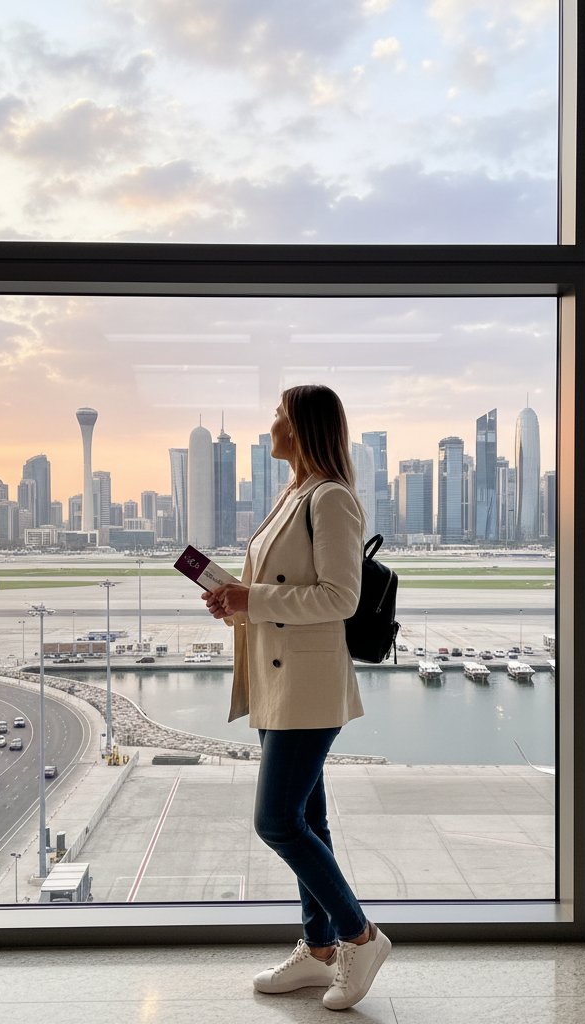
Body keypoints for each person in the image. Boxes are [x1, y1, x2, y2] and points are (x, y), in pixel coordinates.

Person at [202, 384, 390, 1011]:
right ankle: (318, 950)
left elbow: (340, 598)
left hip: (308, 684)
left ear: (304, 427)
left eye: (280, 415)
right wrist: (235, 603)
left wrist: (252, 600)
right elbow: (278, 591)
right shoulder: (293, 493)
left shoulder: (332, 499)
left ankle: (359, 935)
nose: (271, 424)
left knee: (276, 820)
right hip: (278, 679)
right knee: (309, 819)